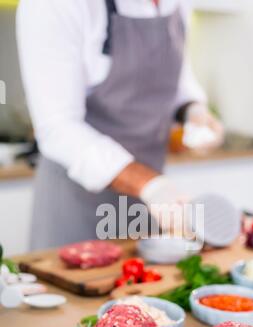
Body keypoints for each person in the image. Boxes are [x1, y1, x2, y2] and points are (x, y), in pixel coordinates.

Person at [17, 0, 224, 249]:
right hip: (78, 206)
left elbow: (179, 79)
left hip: (149, 205)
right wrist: (150, 185)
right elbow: (57, 128)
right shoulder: (56, 5)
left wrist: (193, 110)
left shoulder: (179, 4)